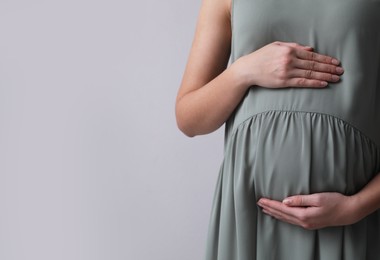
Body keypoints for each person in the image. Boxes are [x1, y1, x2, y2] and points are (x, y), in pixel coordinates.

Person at [175, 0, 380, 259]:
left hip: (349, 226)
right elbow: (189, 118)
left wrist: (355, 208)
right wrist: (244, 72)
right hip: (250, 219)